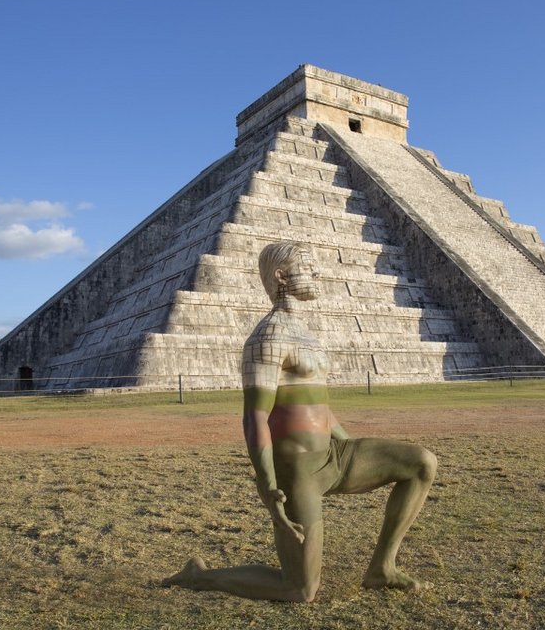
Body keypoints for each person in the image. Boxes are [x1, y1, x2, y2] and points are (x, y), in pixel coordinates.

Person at [162, 241, 437, 602]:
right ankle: (199, 576)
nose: (317, 273)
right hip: (297, 470)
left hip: (333, 455)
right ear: (281, 276)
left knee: (421, 463)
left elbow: (317, 404)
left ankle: (381, 569)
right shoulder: (267, 337)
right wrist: (267, 484)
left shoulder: (305, 334)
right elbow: (255, 416)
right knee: (300, 589)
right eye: (308, 267)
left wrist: (349, 444)